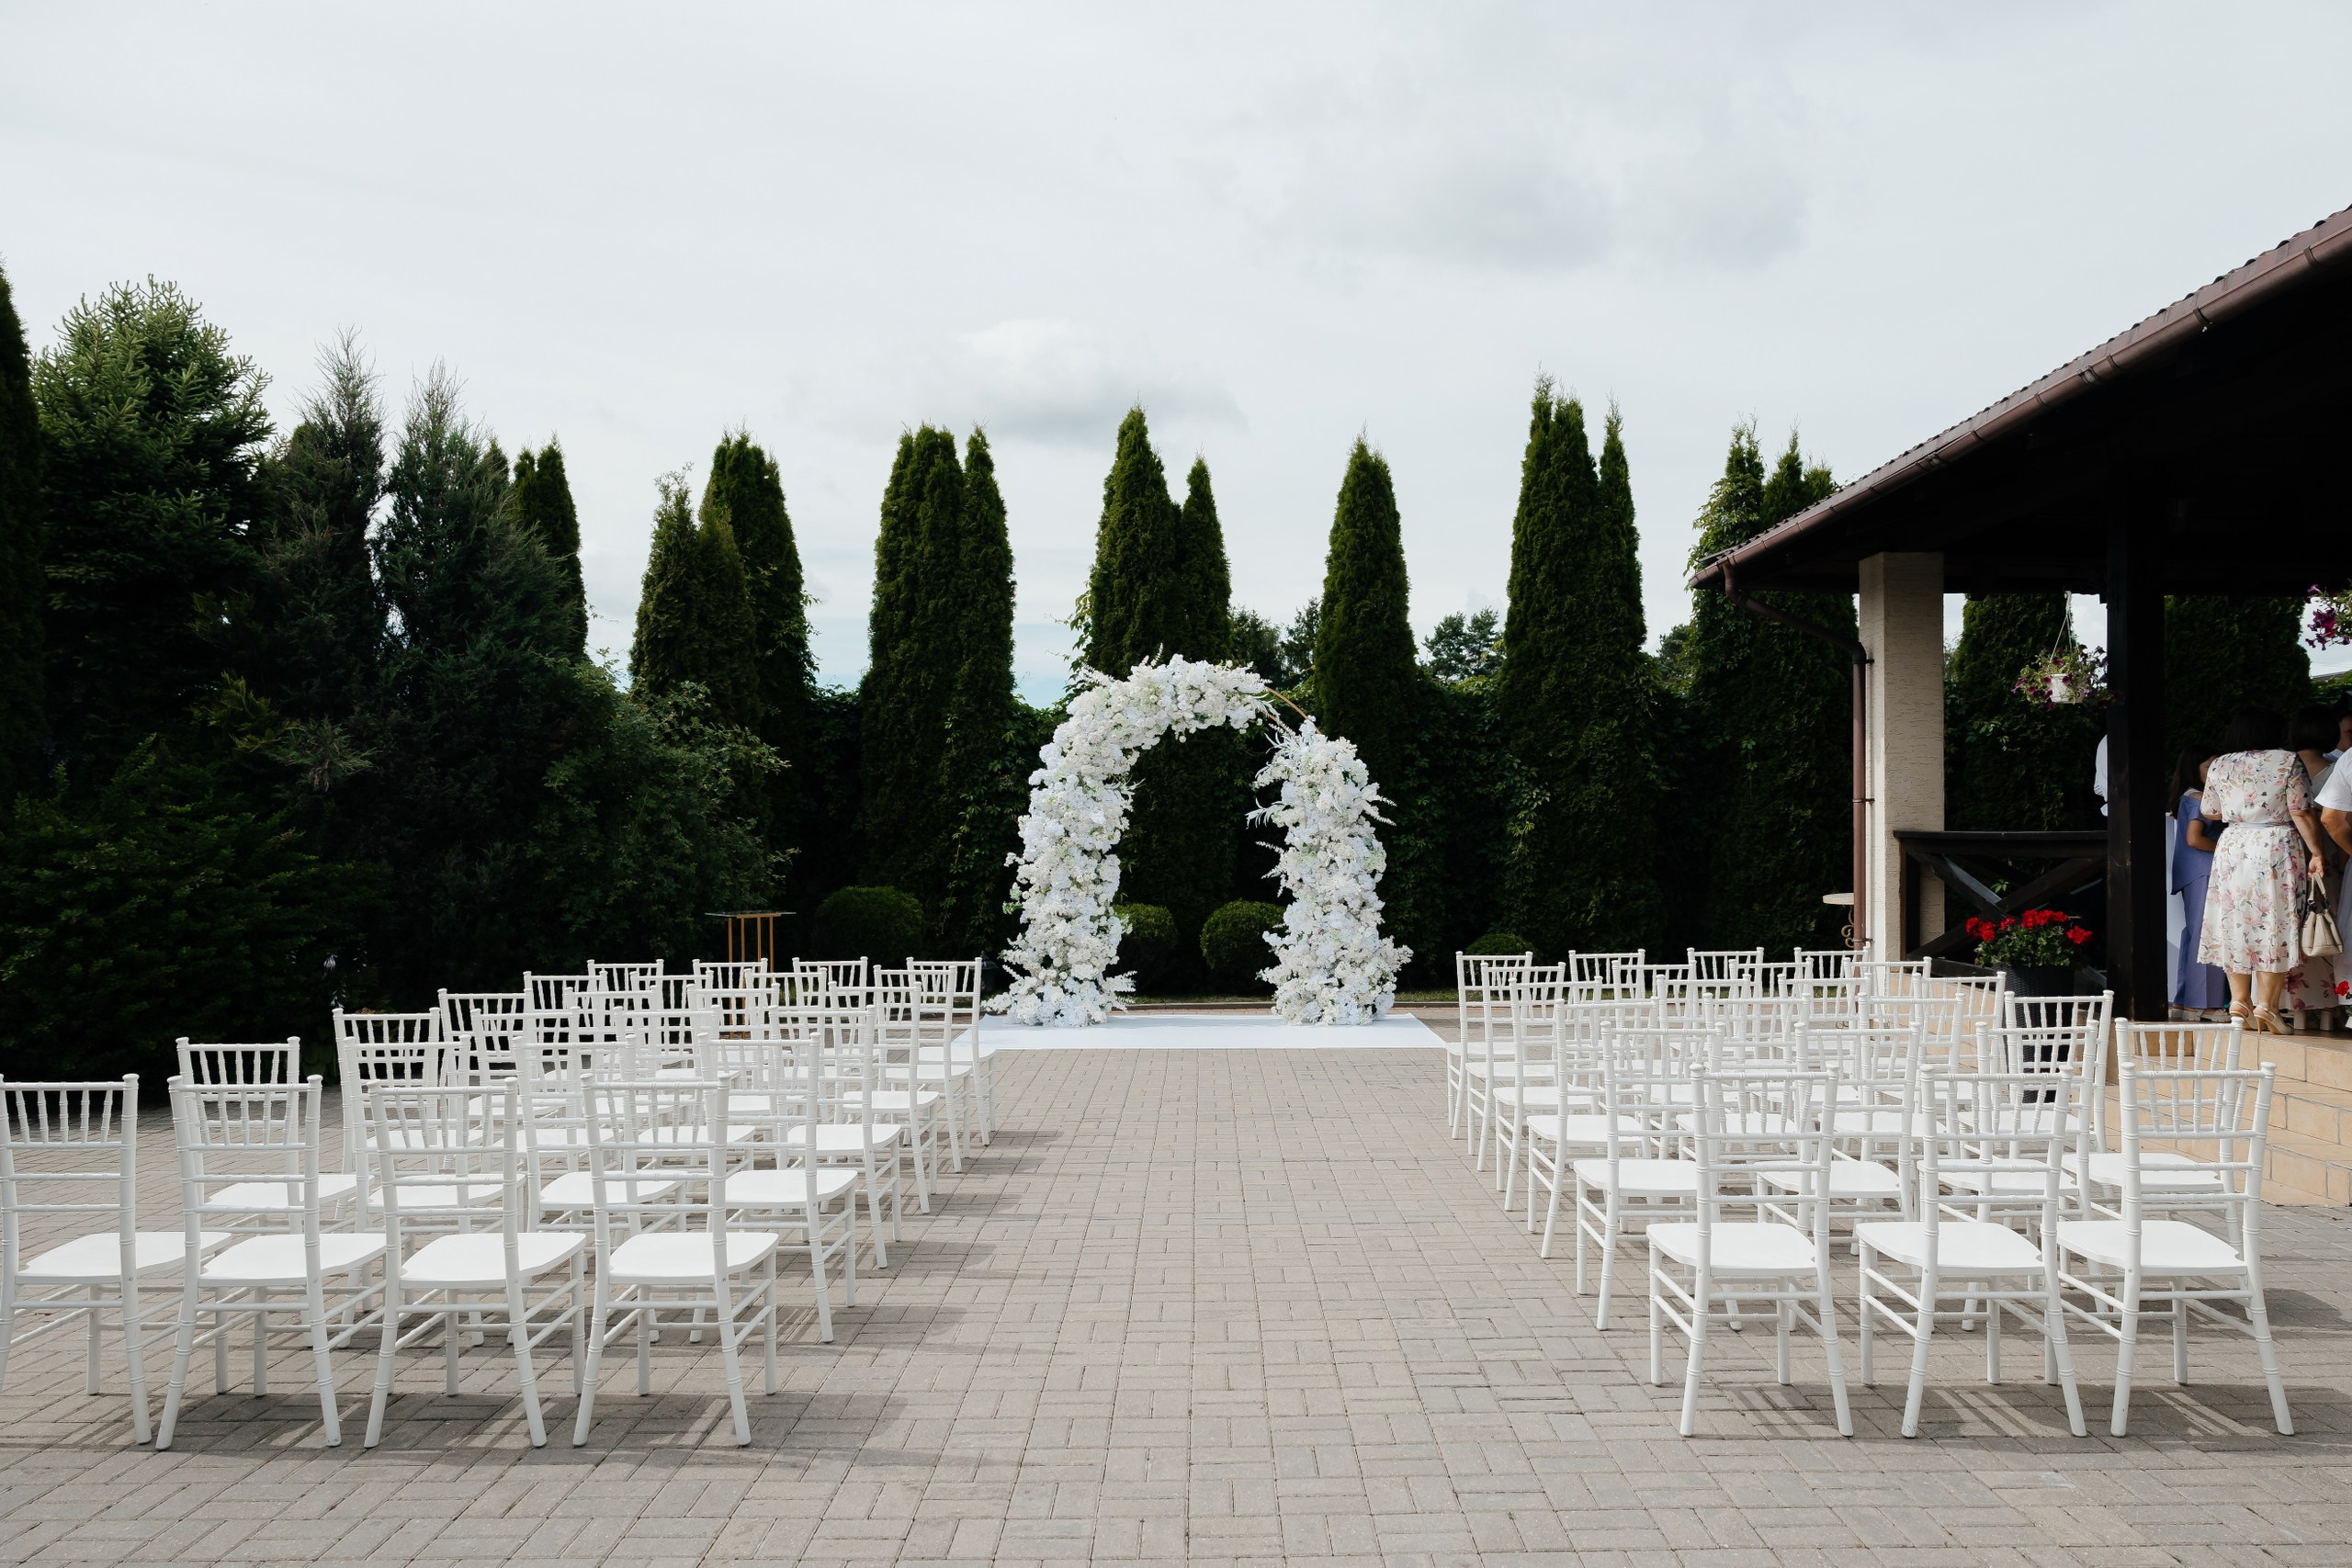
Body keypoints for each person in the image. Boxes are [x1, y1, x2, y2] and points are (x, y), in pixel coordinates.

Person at [2199, 707, 2328, 1033]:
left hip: (2233, 846)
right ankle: (2267, 1006)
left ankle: (2239, 1002)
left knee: (2235, 920)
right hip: (2275, 844)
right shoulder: (2287, 761)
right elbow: (2300, 811)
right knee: (2275, 919)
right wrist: (2317, 852)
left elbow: (2210, 811)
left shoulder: (2220, 764)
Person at [2283, 706, 2343, 1030]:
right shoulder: (2338, 770)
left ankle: (2298, 1008)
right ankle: (2332, 1009)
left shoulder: (2282, 767)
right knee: (2329, 925)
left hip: (2291, 859)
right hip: (2330, 857)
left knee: (2295, 928)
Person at [2170, 746, 2228, 1014]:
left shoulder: (2187, 797)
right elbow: (2195, 839)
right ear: (2194, 768)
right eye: (2209, 766)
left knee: (2194, 934)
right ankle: (2205, 1004)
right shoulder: (2199, 798)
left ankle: (2184, 1001)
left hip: (2193, 872)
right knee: (2209, 935)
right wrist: (2229, 847)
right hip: (2205, 870)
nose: (2215, 771)